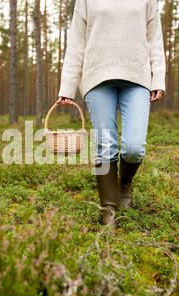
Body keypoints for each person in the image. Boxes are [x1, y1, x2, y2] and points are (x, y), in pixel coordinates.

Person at [56, 0, 166, 227]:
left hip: (137, 77)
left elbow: (155, 40)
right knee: (105, 145)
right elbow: (76, 43)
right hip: (97, 78)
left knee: (134, 147)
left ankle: (125, 182)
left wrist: (158, 77)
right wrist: (67, 85)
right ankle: (109, 209)